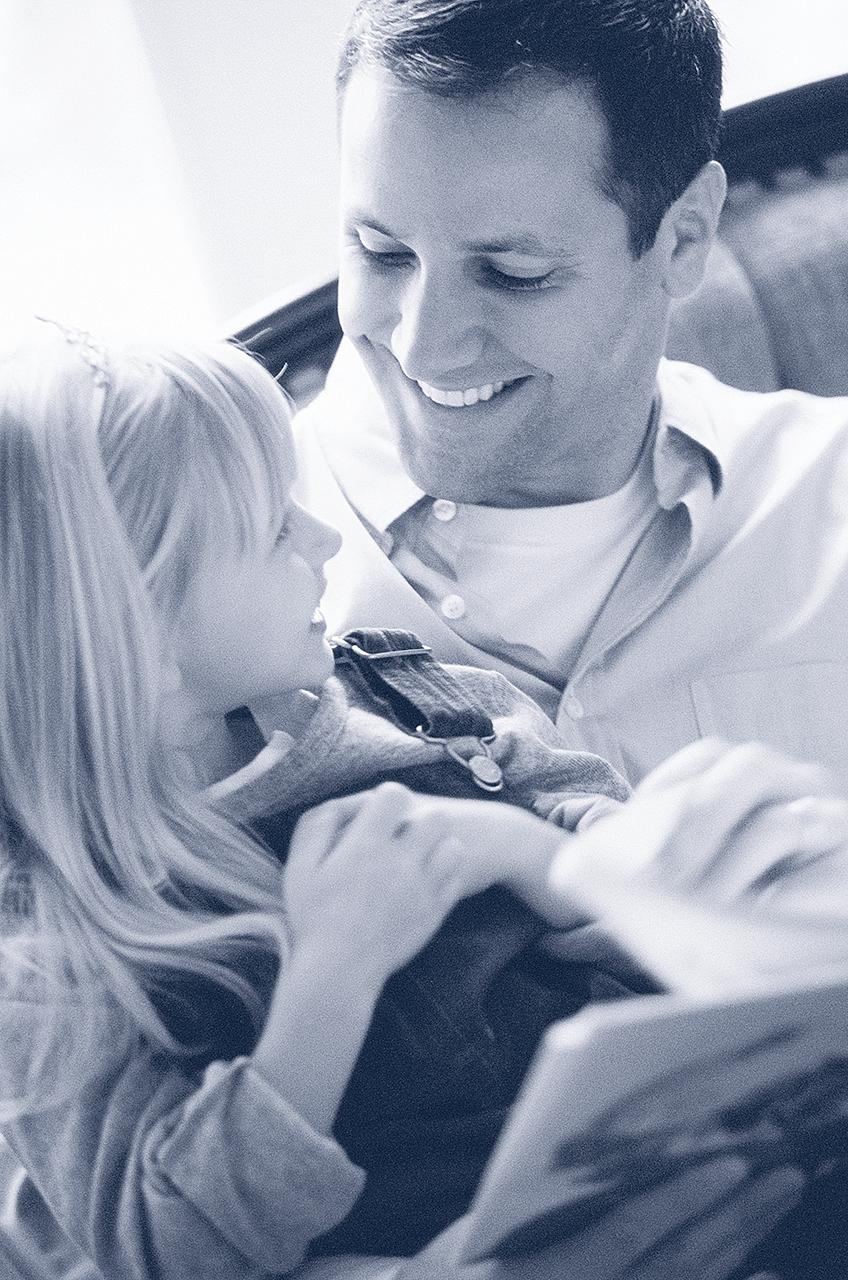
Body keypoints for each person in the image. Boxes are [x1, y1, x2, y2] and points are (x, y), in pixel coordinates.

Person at [0, 320, 829, 1280]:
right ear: (132, 637)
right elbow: (174, 1250)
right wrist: (334, 971)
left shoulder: (419, 697)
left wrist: (532, 853)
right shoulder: (54, 946)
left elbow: (640, 889)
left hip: (721, 1163)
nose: (322, 540)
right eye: (271, 529)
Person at [292, 0, 848, 791]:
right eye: (381, 252)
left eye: (513, 274)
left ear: (684, 236)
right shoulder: (189, 561)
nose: (422, 346)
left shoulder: (832, 498)